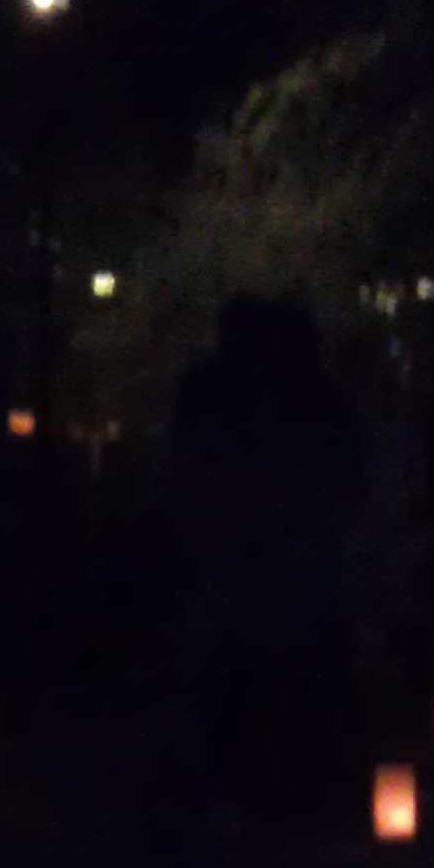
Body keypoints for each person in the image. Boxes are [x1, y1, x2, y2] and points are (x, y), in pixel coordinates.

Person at [165, 295, 363, 832]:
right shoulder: (304, 400)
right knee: (268, 669)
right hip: (266, 555)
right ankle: (273, 787)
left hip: (258, 555)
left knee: (251, 671)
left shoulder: (225, 396)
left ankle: (248, 789)